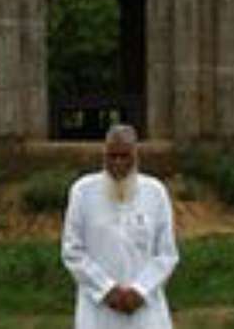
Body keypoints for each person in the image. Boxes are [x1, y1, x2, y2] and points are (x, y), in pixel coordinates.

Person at [61, 123, 179, 327]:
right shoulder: (83, 192)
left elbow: (167, 254)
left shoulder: (155, 192)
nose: (118, 163)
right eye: (112, 156)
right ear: (104, 155)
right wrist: (107, 290)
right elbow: (73, 251)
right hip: (98, 311)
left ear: (136, 155)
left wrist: (140, 290)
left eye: (125, 156)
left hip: (145, 311)